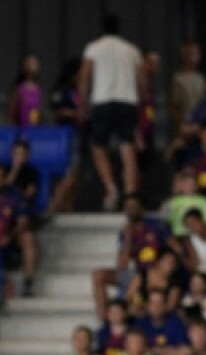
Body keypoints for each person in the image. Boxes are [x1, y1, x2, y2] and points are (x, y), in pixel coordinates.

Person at [80, 13, 144, 208]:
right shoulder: (131, 50)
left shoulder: (94, 48)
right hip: (127, 101)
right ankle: (130, 191)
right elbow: (142, 79)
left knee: (98, 146)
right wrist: (140, 100)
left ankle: (111, 187)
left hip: (103, 101)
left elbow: (84, 76)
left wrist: (83, 104)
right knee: (127, 146)